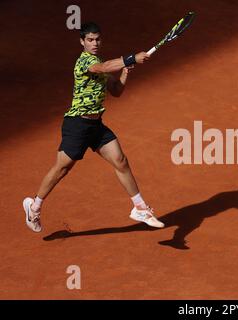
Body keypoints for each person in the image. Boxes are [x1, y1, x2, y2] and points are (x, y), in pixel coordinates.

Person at [22, 22, 164, 232]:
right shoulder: (85, 62)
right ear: (82, 42)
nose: (94, 43)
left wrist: (125, 71)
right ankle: (34, 206)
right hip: (77, 125)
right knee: (62, 169)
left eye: (97, 39)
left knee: (120, 160)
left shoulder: (100, 63)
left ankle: (140, 208)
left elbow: (116, 91)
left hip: (96, 125)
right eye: (90, 40)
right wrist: (132, 57)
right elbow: (104, 67)